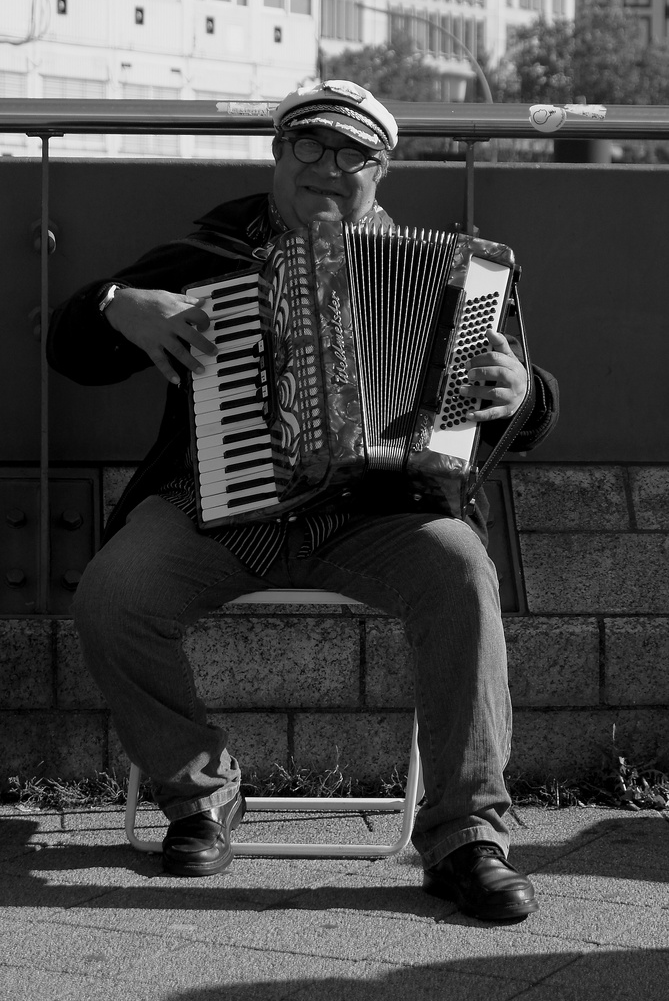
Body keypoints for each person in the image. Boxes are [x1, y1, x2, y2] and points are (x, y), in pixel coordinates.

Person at [47, 80, 559, 921]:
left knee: (462, 571)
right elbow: (76, 348)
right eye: (309, 146)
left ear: (381, 170)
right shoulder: (206, 256)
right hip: (219, 505)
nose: (327, 166)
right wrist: (117, 305)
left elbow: (515, 418)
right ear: (279, 156)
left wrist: (523, 392)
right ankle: (199, 795)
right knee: (114, 593)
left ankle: (467, 837)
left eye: (352, 152)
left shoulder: (451, 277)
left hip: (375, 518)